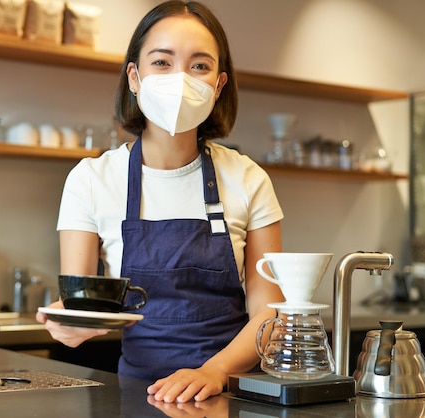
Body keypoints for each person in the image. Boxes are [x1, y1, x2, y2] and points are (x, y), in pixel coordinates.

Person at [36, 0, 285, 403]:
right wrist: (70, 323)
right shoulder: (91, 179)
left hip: (234, 392)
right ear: (134, 77)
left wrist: (214, 371)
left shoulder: (248, 179)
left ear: (218, 85)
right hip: (140, 394)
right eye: (162, 63)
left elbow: (270, 315)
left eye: (199, 66)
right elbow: (82, 301)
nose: (181, 79)